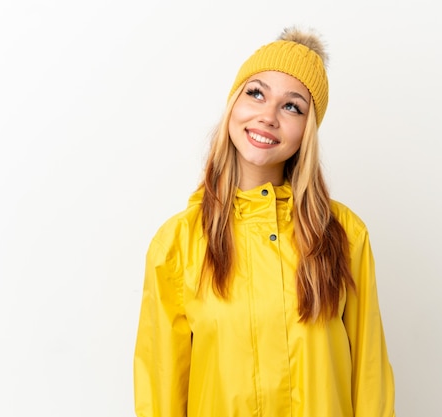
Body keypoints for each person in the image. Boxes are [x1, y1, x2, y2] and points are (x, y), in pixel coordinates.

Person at [134, 26, 396, 417]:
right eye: (256, 93)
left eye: (292, 106)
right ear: (234, 104)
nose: (267, 116)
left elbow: (369, 377)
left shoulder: (344, 235)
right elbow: (162, 390)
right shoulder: (177, 243)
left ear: (308, 130)